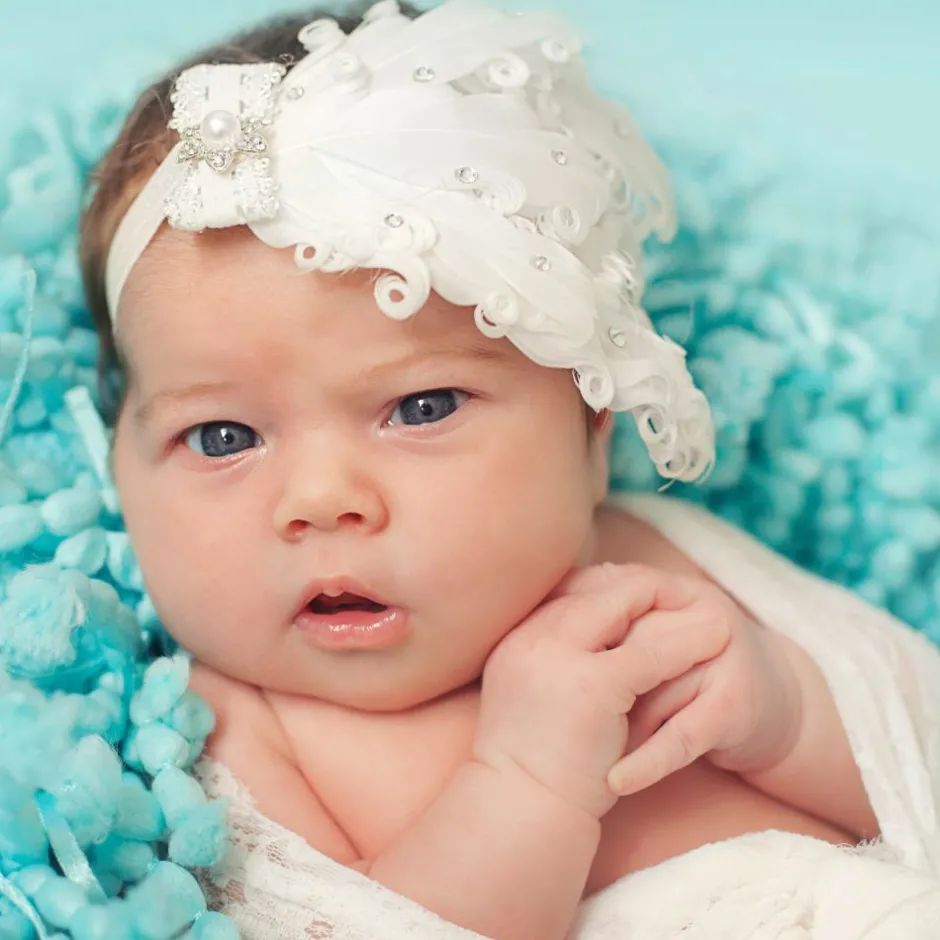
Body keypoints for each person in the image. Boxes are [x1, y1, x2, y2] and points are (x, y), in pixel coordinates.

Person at [78, 1, 940, 938]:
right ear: (118, 455)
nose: (322, 501)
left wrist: (791, 719)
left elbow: (920, 761)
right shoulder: (235, 727)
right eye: (222, 437)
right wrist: (527, 783)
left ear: (592, 423)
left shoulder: (655, 573)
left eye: (422, 408)